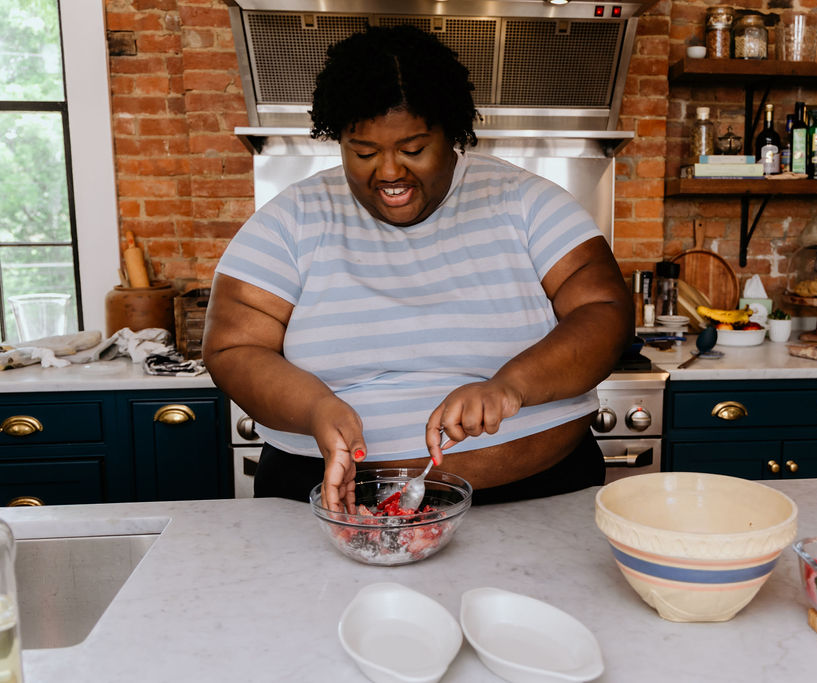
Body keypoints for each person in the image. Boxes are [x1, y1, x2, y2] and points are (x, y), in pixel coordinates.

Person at [203, 24, 632, 513]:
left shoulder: (527, 201)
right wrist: (315, 408)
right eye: (363, 152)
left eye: (412, 150)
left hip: (535, 498)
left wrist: (512, 385)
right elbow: (233, 346)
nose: (388, 172)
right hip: (330, 509)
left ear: (451, 133)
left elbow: (604, 310)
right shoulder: (291, 218)